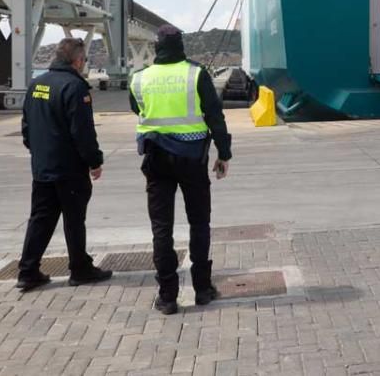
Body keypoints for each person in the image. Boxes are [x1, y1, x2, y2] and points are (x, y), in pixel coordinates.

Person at [129, 25, 232, 315]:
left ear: (157, 47)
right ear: (181, 45)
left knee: (162, 228)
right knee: (199, 223)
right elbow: (215, 115)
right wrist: (224, 153)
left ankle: (167, 296)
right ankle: (202, 289)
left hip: (156, 158)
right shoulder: (196, 74)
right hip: (192, 158)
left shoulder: (138, 78)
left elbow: (138, 110)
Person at [17, 38, 113, 291]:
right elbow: (82, 131)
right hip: (69, 169)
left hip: (42, 167)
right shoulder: (74, 87)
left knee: (40, 219)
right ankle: (80, 269)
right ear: (78, 60)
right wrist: (94, 161)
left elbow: (26, 127)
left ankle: (27, 271)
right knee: (73, 219)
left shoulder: (36, 85)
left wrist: (38, 152)